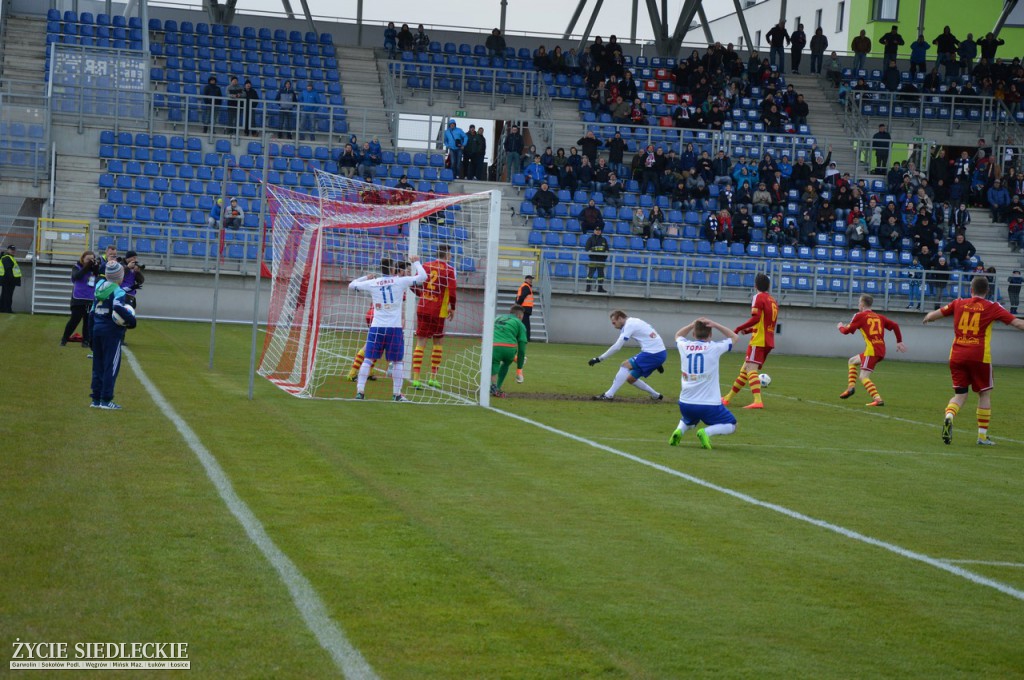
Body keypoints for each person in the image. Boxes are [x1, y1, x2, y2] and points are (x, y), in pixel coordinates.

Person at [923, 275, 1024, 445]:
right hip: (979, 356)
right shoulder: (992, 307)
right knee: (984, 393)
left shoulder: (958, 303)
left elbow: (934, 315)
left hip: (956, 355)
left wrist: (928, 317)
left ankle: (949, 415)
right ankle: (982, 437)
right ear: (988, 290)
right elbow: (1017, 323)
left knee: (960, 394)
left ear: (971, 289)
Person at [348, 255, 428, 401]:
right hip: (394, 328)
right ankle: (397, 394)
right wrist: (416, 261)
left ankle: (360, 392)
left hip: (377, 327)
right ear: (393, 268)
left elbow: (351, 285)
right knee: (397, 361)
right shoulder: (400, 281)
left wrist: (365, 277)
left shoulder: (373, 282)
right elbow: (423, 277)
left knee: (368, 359)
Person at [669, 317, 739, 449]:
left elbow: (678, 335)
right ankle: (706, 432)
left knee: (690, 419)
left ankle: (679, 430)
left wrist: (691, 324)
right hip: (708, 404)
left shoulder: (684, 346)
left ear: (694, 334)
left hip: (685, 403)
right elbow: (734, 337)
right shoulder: (714, 347)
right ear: (710, 334)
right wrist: (716, 324)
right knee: (732, 425)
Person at [836, 294, 907, 407]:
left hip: (872, 350)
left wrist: (840, 326)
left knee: (864, 377)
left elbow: (846, 331)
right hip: (880, 349)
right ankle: (850, 388)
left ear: (863, 304)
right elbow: (895, 325)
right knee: (852, 361)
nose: (858, 304)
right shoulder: (879, 317)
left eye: (859, 302)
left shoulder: (859, 316)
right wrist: (899, 341)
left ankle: (878, 399)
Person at [723, 273, 777, 409]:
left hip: (759, 340)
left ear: (755, 285)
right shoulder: (772, 300)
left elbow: (756, 318)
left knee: (751, 370)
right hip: (768, 340)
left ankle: (757, 401)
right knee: (745, 370)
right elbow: (764, 323)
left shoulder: (758, 297)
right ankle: (727, 399)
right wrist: (748, 330)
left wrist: (738, 328)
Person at [588, 310, 666, 401]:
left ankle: (608, 395)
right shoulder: (634, 321)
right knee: (631, 379)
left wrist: (599, 359)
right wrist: (658, 362)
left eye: (614, 323)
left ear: (620, 318)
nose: (614, 326)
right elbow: (650, 338)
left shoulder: (629, 325)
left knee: (625, 365)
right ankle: (656, 395)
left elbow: (617, 347)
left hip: (653, 354)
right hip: (658, 353)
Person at [410, 244, 457, 390]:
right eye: (450, 254)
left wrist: (423, 296)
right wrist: (453, 307)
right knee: (438, 342)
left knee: (420, 342)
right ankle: (432, 378)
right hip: (438, 310)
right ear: (447, 255)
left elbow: (412, 284)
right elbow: (453, 291)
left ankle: (416, 379)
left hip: (423, 308)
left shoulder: (425, 265)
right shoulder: (450, 270)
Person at [89, 260, 135, 409]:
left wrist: (90, 334)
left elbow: (91, 312)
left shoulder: (99, 287)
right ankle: (106, 400)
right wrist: (131, 320)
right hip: (111, 332)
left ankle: (95, 399)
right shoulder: (118, 290)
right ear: (119, 277)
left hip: (97, 329)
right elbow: (117, 307)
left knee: (98, 365)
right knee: (111, 366)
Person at [490, 304, 528, 398]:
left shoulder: (497, 318)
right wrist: (519, 369)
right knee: (506, 363)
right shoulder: (519, 323)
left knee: (494, 364)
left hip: (493, 346)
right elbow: (522, 348)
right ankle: (498, 387)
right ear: (519, 316)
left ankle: (493, 386)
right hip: (509, 348)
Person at [61, 250, 97, 347]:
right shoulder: (76, 267)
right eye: (88, 259)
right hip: (78, 298)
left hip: (90, 298)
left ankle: (86, 341)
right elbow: (77, 276)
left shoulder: (94, 269)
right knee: (74, 320)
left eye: (92, 259)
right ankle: (64, 338)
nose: (90, 261)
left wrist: (95, 268)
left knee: (88, 321)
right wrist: (87, 266)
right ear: (83, 259)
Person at [583, 224, 608, 293]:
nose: (598, 231)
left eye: (599, 230)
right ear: (594, 231)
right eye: (596, 230)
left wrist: (604, 257)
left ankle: (600, 288)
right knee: (590, 274)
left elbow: (607, 250)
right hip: (593, 259)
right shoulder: (590, 239)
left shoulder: (604, 239)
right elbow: (587, 249)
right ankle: (588, 288)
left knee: (601, 275)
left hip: (601, 260)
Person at [515, 274, 535, 347]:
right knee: (525, 324)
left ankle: (524, 338)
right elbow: (522, 297)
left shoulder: (524, 286)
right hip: (525, 308)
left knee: (524, 323)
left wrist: (517, 304)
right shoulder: (526, 287)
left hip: (524, 308)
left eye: (531, 279)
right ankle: (526, 338)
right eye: (529, 279)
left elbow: (519, 297)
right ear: (526, 279)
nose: (531, 280)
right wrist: (519, 305)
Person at [0, 244, 20, 313]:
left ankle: (3, 309)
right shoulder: (7, 258)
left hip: (7, 280)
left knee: (5, 295)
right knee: (7, 296)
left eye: (14, 250)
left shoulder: (9, 257)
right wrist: (12, 279)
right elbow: (8, 270)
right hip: (8, 280)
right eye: (11, 250)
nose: (13, 251)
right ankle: (7, 310)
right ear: (8, 250)